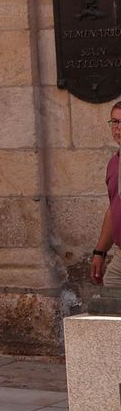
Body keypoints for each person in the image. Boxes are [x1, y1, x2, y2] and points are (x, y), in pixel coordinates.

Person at [91, 101, 121, 288]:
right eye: (115, 122)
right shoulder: (113, 164)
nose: (118, 128)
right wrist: (100, 252)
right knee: (110, 286)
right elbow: (114, 209)